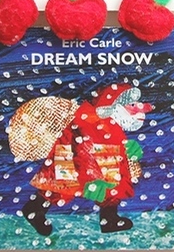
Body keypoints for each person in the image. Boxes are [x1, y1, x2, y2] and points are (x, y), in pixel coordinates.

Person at [22, 84, 152, 235]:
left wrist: (130, 151)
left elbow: (113, 150)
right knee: (61, 185)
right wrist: (93, 179)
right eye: (132, 106)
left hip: (83, 159)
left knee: (113, 179)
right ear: (115, 106)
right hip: (70, 159)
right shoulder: (90, 123)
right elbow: (84, 154)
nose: (142, 110)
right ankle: (34, 209)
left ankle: (109, 219)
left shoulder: (108, 124)